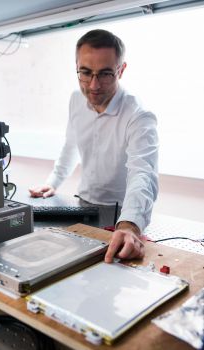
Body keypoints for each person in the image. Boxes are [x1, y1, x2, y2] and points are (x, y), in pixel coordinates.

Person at [29, 29, 158, 263]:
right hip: (83, 205)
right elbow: (71, 144)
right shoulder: (76, 99)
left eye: (106, 74)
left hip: (122, 213)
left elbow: (143, 173)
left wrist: (130, 225)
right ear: (76, 67)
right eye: (85, 73)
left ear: (121, 70)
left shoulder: (139, 115)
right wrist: (53, 182)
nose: (93, 85)